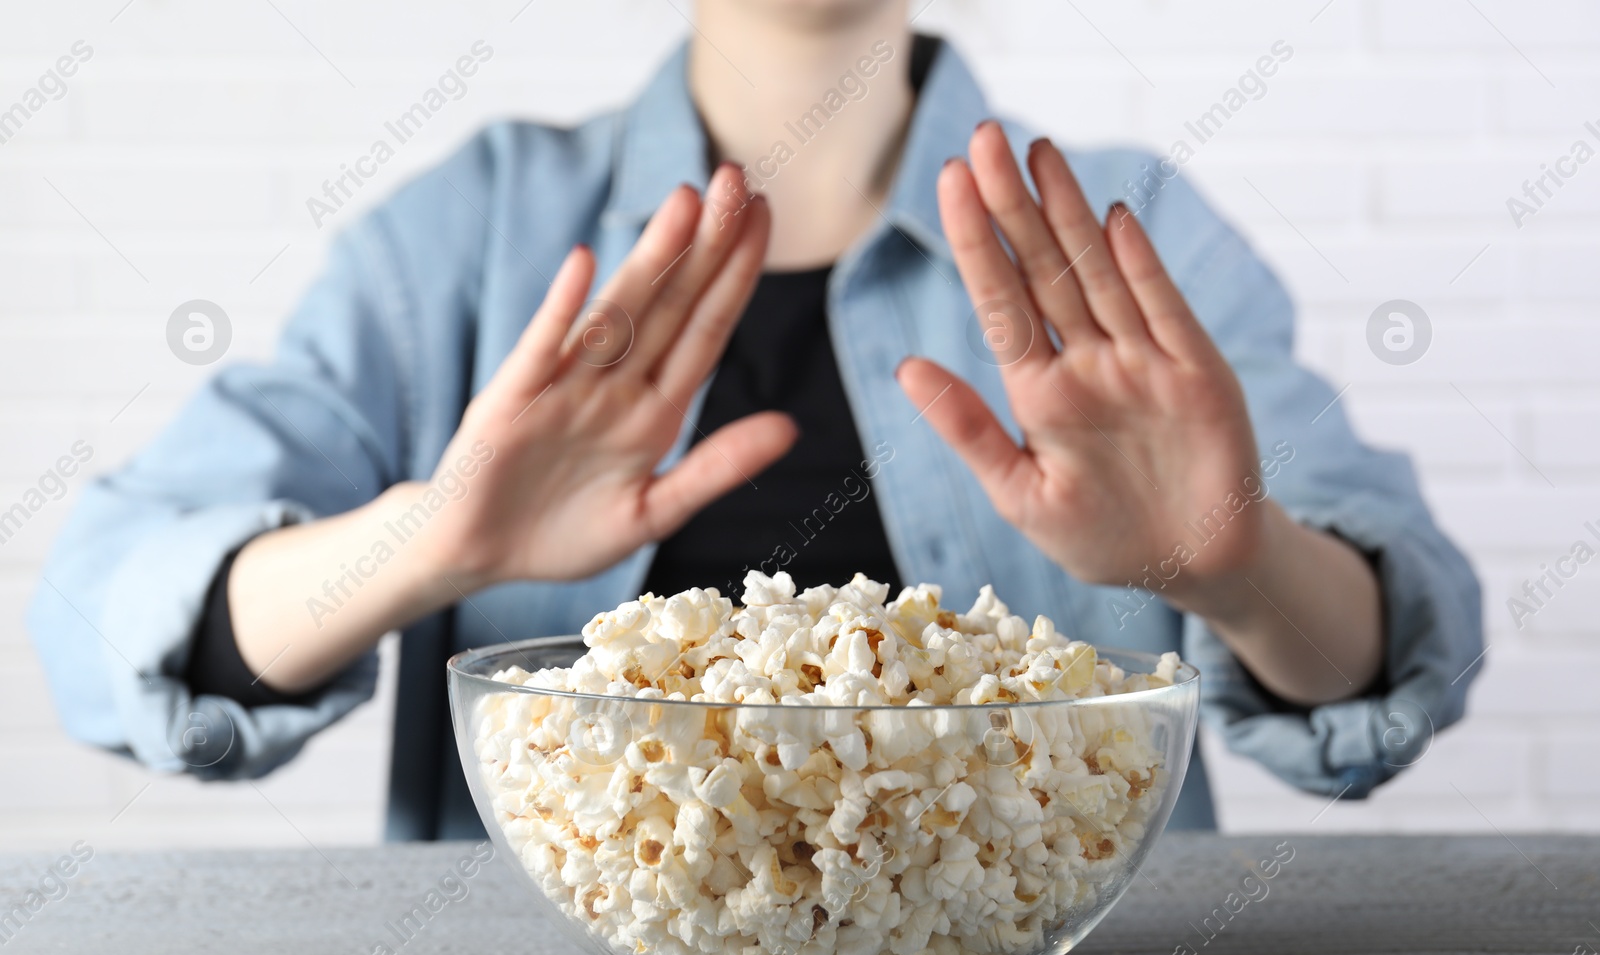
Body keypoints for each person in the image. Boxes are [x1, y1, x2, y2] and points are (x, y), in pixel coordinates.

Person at [29, 0, 1483, 839]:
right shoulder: (463, 237)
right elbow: (101, 616)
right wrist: (422, 545)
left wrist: (1231, 565)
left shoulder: (1127, 242)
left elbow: (1397, 647)